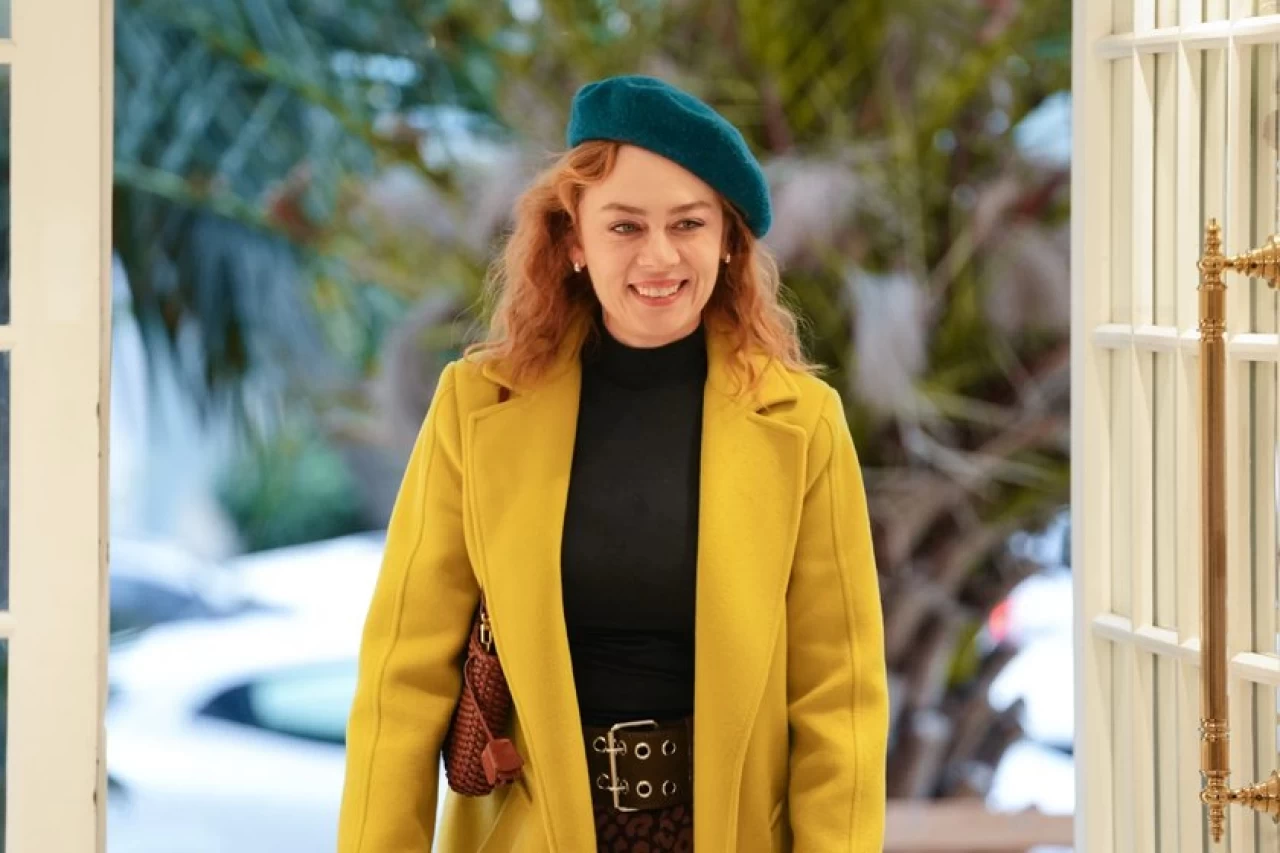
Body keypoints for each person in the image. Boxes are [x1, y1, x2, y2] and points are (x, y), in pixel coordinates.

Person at [336, 74, 888, 853]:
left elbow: (840, 700)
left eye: (689, 223)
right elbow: (403, 678)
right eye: (625, 226)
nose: (659, 255)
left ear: (728, 241)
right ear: (573, 242)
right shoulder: (475, 408)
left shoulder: (803, 424)